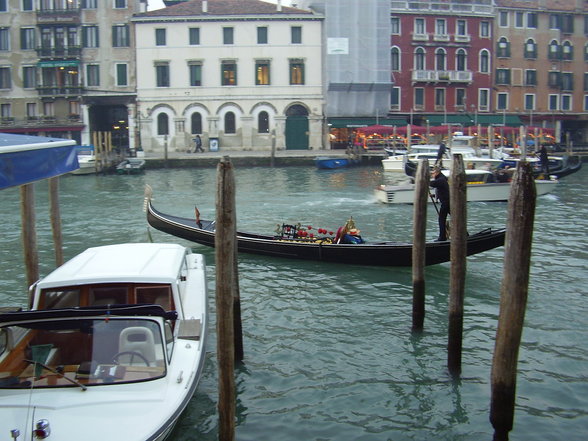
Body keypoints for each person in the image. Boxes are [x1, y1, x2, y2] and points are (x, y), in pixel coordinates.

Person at [430, 167, 450, 241]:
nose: (432, 175)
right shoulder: (442, 179)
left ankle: (442, 237)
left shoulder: (441, 179)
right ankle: (465, 234)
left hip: (446, 203)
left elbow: (433, 184)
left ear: (437, 172)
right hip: (447, 202)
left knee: (441, 219)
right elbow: (443, 191)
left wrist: (424, 181)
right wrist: (434, 196)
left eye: (433, 173)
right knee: (455, 218)